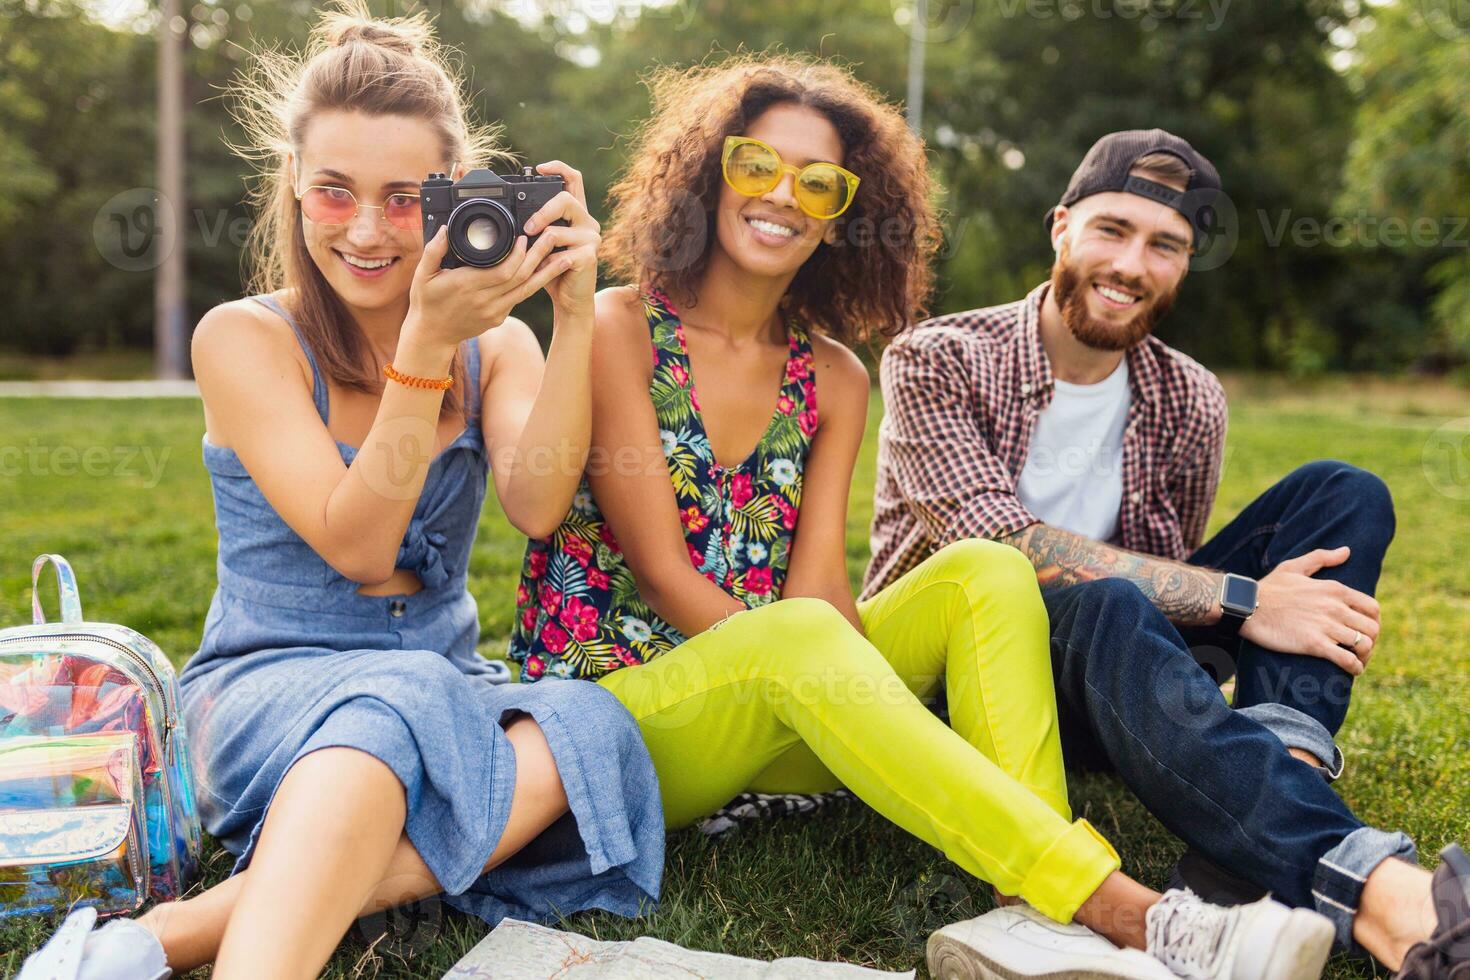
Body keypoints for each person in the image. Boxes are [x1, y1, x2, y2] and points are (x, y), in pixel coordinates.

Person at [510, 57, 1338, 980]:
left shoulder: (834, 376)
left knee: (988, 569)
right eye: (756, 165)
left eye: (817, 181)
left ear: (839, 215)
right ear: (709, 174)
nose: (782, 194)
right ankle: (1126, 910)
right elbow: (665, 572)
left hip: (785, 693)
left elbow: (824, 586)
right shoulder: (623, 325)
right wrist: (841, 684)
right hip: (624, 716)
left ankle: (1022, 910)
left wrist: (864, 706)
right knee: (799, 642)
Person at [18, 6, 662, 979]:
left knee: (591, 726)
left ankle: (149, 943)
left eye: (404, 199)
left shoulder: (498, 346)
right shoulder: (244, 337)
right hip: (264, 688)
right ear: (292, 187)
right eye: (334, 193)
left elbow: (536, 505)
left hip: (441, 679)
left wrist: (572, 318)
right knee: (386, 717)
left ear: (453, 196)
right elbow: (356, 546)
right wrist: (423, 348)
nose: (366, 231)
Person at [866, 127, 1470, 977]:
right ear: (1060, 228)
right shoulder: (939, 358)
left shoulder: (1190, 396)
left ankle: (1277, 770)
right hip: (965, 692)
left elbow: (1174, 571)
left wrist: (1233, 601)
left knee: (1345, 492)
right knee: (1103, 597)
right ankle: (1379, 889)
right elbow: (997, 540)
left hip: (1110, 676)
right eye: (1112, 230)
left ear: (1186, 263)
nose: (1131, 265)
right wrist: (1253, 602)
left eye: (1166, 245)